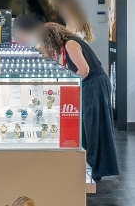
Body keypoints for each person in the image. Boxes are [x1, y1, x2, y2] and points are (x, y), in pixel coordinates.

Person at [36, 22, 120, 182]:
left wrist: (69, 84)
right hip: (92, 84)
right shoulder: (67, 44)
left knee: (92, 125)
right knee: (89, 125)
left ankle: (94, 168)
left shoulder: (71, 44)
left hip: (94, 84)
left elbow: (84, 70)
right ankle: (92, 166)